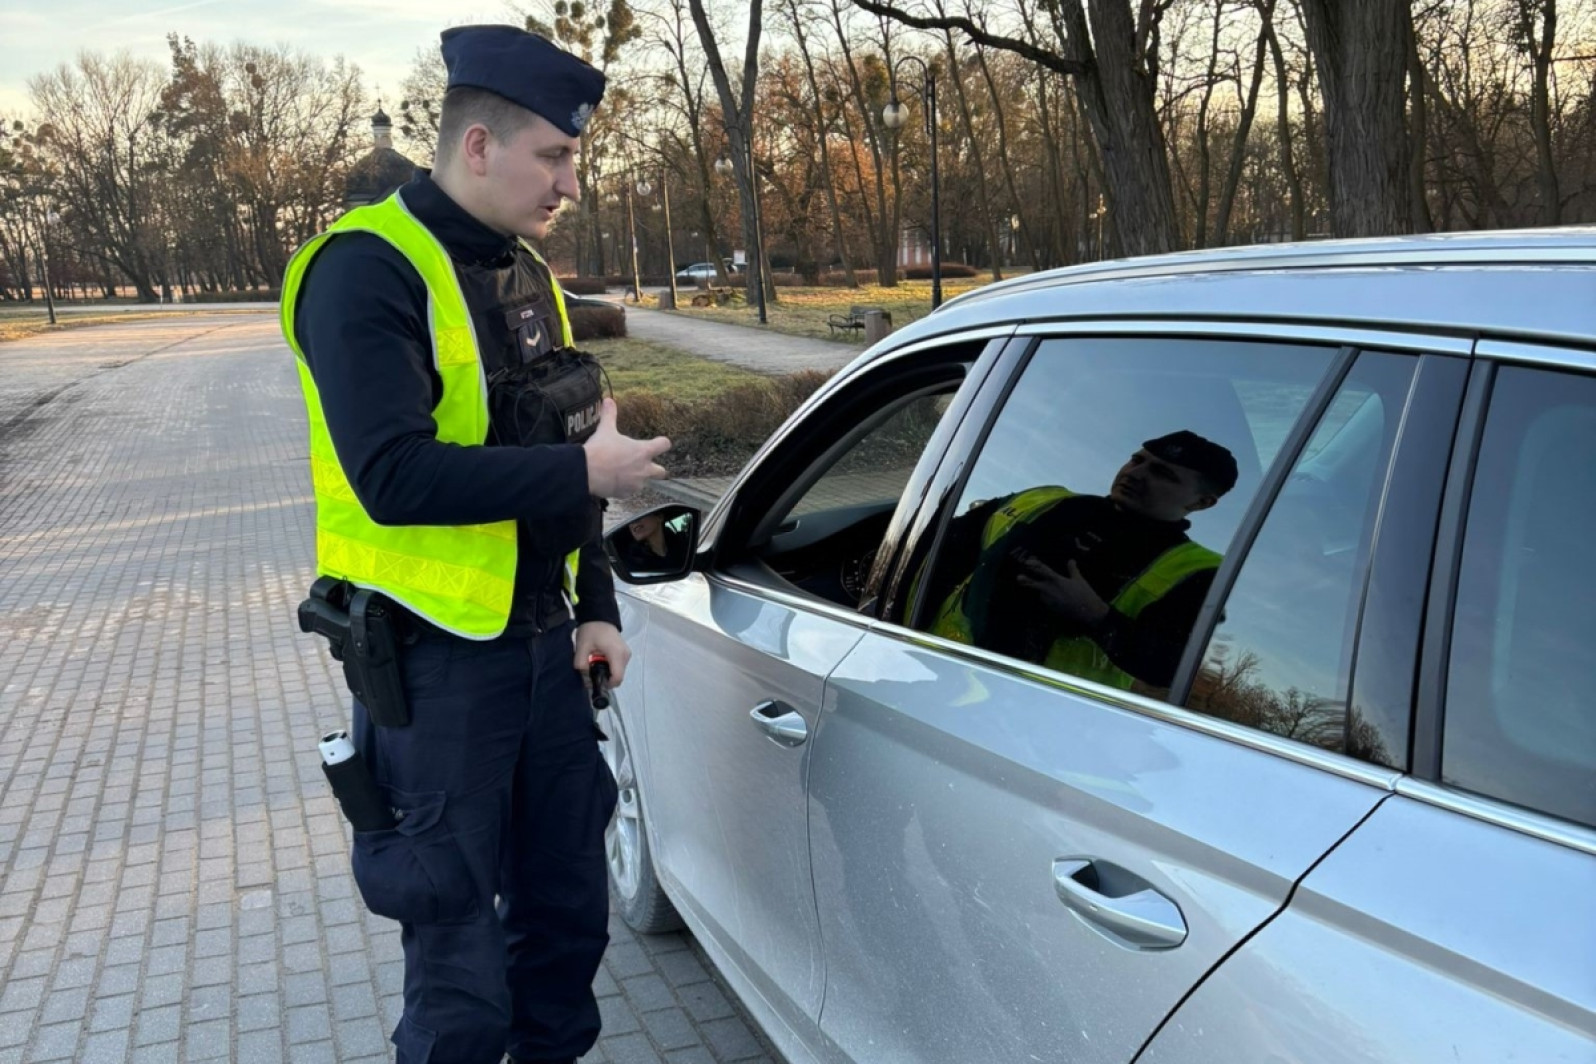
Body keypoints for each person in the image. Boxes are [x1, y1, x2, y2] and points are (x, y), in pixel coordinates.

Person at [279, 24, 670, 1064]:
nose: (570, 183)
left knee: (564, 929)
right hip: (435, 666)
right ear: (480, 145)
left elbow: (572, 427)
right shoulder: (364, 270)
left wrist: (596, 602)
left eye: (574, 159)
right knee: (459, 971)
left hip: (546, 652)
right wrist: (587, 476)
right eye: (556, 156)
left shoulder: (526, 270)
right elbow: (394, 474)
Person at [927, 430, 1237, 691]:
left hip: (1039, 719)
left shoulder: (1198, 571)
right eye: (1137, 459)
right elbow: (935, 551)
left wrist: (1097, 617)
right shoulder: (1042, 501)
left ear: (1201, 502)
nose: (1135, 473)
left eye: (1161, 473)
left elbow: (1171, 669)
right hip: (937, 673)